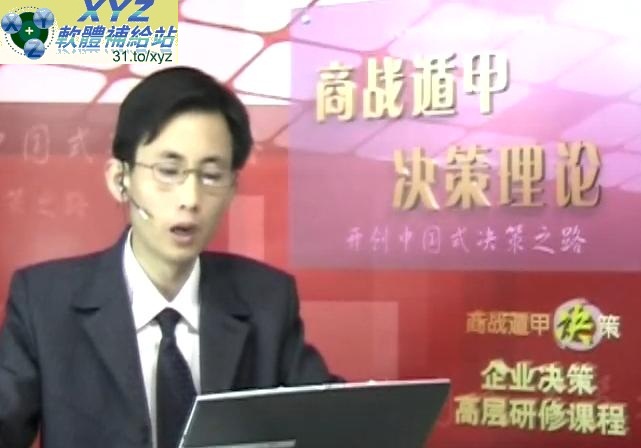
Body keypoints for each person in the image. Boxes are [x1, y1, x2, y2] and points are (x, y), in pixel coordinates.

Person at [0, 66, 339, 448]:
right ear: (120, 179)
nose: (190, 199)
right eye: (168, 171)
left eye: (211, 176)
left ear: (232, 188)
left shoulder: (267, 301)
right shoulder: (44, 304)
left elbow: (332, 422)